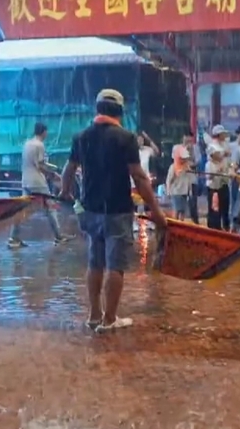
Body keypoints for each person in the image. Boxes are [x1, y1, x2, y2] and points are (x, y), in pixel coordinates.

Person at [59, 89, 166, 333]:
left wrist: (66, 192)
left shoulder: (81, 136)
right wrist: (156, 211)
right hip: (117, 210)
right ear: (119, 111)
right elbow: (139, 177)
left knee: (94, 262)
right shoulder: (125, 138)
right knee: (115, 265)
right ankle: (110, 319)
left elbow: (68, 170)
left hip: (89, 210)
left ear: (97, 108)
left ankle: (94, 314)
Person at [8, 122, 70, 248]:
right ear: (44, 132)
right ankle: (59, 236)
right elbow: (40, 165)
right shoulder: (39, 145)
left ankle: (13, 238)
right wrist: (53, 175)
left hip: (25, 180)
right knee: (50, 207)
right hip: (37, 182)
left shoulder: (27, 143)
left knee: (21, 210)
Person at [172, 131, 201, 224]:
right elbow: (176, 160)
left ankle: (194, 222)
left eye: (190, 138)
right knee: (179, 204)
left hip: (192, 179)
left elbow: (196, 162)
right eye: (186, 137)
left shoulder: (195, 148)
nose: (188, 139)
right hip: (179, 180)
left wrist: (191, 152)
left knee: (192, 203)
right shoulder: (176, 147)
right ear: (183, 137)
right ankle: (176, 224)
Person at [204, 143, 230, 230]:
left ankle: (226, 225)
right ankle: (214, 226)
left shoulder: (224, 162)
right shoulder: (209, 164)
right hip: (213, 189)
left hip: (223, 186)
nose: (219, 154)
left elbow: (228, 172)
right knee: (214, 209)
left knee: (224, 207)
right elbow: (208, 177)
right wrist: (216, 172)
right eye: (217, 153)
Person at [165, 148, 194, 220]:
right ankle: (175, 225)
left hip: (184, 192)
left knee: (183, 211)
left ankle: (181, 225)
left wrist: (190, 191)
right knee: (176, 210)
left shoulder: (187, 167)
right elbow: (169, 180)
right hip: (176, 192)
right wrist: (168, 191)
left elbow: (189, 179)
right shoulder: (173, 167)